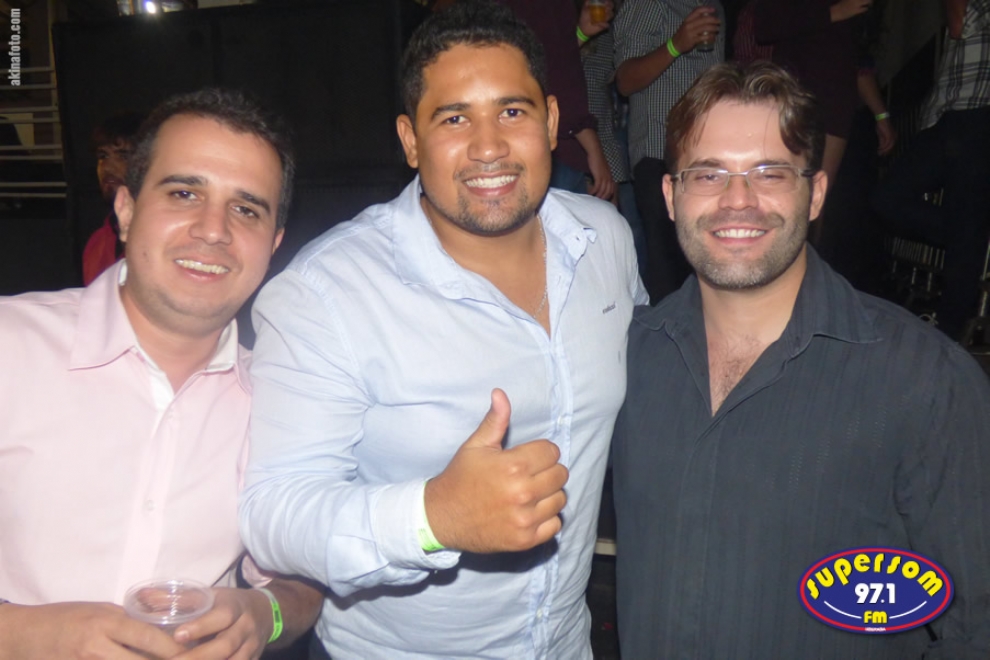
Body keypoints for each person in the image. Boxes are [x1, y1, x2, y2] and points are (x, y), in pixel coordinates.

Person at [239, 2, 647, 658]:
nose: (488, 146)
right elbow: (273, 514)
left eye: (511, 111)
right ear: (410, 140)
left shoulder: (606, 241)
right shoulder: (328, 293)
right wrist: (434, 517)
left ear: (551, 121)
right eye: (454, 118)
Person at [613, 62, 990, 658]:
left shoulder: (925, 382)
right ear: (670, 197)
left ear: (814, 194)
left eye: (770, 173)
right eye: (708, 174)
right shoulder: (627, 359)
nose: (738, 200)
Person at [0, 88, 323, 659]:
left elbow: (303, 584)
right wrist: (25, 635)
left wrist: (264, 615)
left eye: (246, 209)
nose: (213, 229)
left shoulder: (281, 401)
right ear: (125, 210)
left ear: (273, 245)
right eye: (184, 193)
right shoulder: (11, 347)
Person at [871, 0, 990, 341]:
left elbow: (961, 24)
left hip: (980, 113)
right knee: (887, 198)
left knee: (966, 227)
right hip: (944, 116)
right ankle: (971, 238)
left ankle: (949, 335)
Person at [613, 0, 725, 301]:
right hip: (659, 155)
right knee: (668, 274)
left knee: (706, 265)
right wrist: (676, 44)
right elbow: (625, 80)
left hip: (708, 154)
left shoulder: (712, 5)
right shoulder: (649, 3)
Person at [82, 111, 143, 285]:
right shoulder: (98, 241)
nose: (108, 167)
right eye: (103, 156)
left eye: (123, 156)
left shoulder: (169, 237)